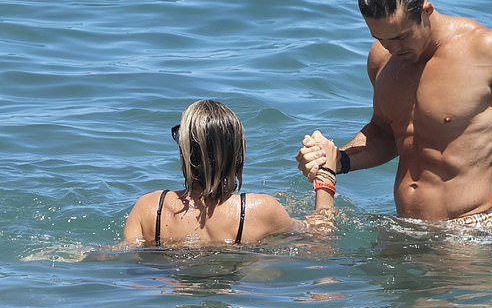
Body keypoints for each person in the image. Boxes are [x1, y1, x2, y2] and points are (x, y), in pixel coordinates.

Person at [296, 0, 492, 230]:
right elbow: (385, 134)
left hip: (468, 230)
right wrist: (338, 159)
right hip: (404, 226)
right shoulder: (382, 58)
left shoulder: (486, 50)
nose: (393, 49)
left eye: (402, 36)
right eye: (381, 38)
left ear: (425, 11)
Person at [123, 100, 338, 247]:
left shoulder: (150, 209)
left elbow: (123, 254)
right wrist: (326, 175)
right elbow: (320, 237)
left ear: (185, 151)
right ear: (238, 152)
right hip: (240, 289)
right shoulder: (261, 210)